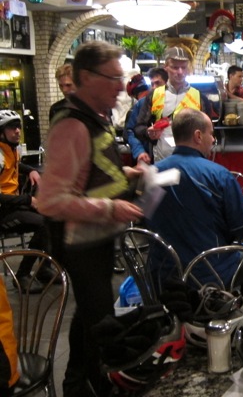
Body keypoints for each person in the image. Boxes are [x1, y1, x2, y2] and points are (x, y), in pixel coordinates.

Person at [37, 41, 144, 397]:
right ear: (86, 76)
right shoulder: (71, 126)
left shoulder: (94, 118)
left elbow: (90, 172)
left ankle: (76, 383)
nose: (121, 87)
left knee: (91, 317)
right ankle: (93, 387)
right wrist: (111, 208)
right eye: (113, 78)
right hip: (80, 244)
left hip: (96, 239)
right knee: (99, 322)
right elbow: (51, 200)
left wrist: (127, 174)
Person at [147, 108, 243, 286]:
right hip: (208, 274)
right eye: (211, 134)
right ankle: (234, 304)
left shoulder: (151, 174)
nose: (212, 140)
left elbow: (144, 221)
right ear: (198, 136)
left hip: (161, 275)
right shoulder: (218, 175)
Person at [0, 110, 56, 293]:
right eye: (12, 127)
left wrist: (31, 170)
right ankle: (22, 275)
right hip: (3, 211)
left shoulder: (10, 149)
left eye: (18, 127)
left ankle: (44, 269)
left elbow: (15, 165)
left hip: (13, 206)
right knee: (42, 223)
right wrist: (28, 199)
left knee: (52, 218)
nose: (17, 131)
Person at [134, 46, 213, 163]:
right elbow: (138, 128)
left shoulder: (200, 97)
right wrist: (148, 133)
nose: (180, 72)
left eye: (183, 67)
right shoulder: (154, 95)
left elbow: (209, 132)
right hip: (161, 162)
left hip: (192, 162)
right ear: (166, 67)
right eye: (175, 67)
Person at [125, 67, 168, 165]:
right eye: (152, 84)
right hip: (149, 158)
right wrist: (139, 151)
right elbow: (130, 131)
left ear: (166, 83)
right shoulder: (142, 104)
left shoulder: (177, 102)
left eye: (158, 83)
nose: (154, 87)